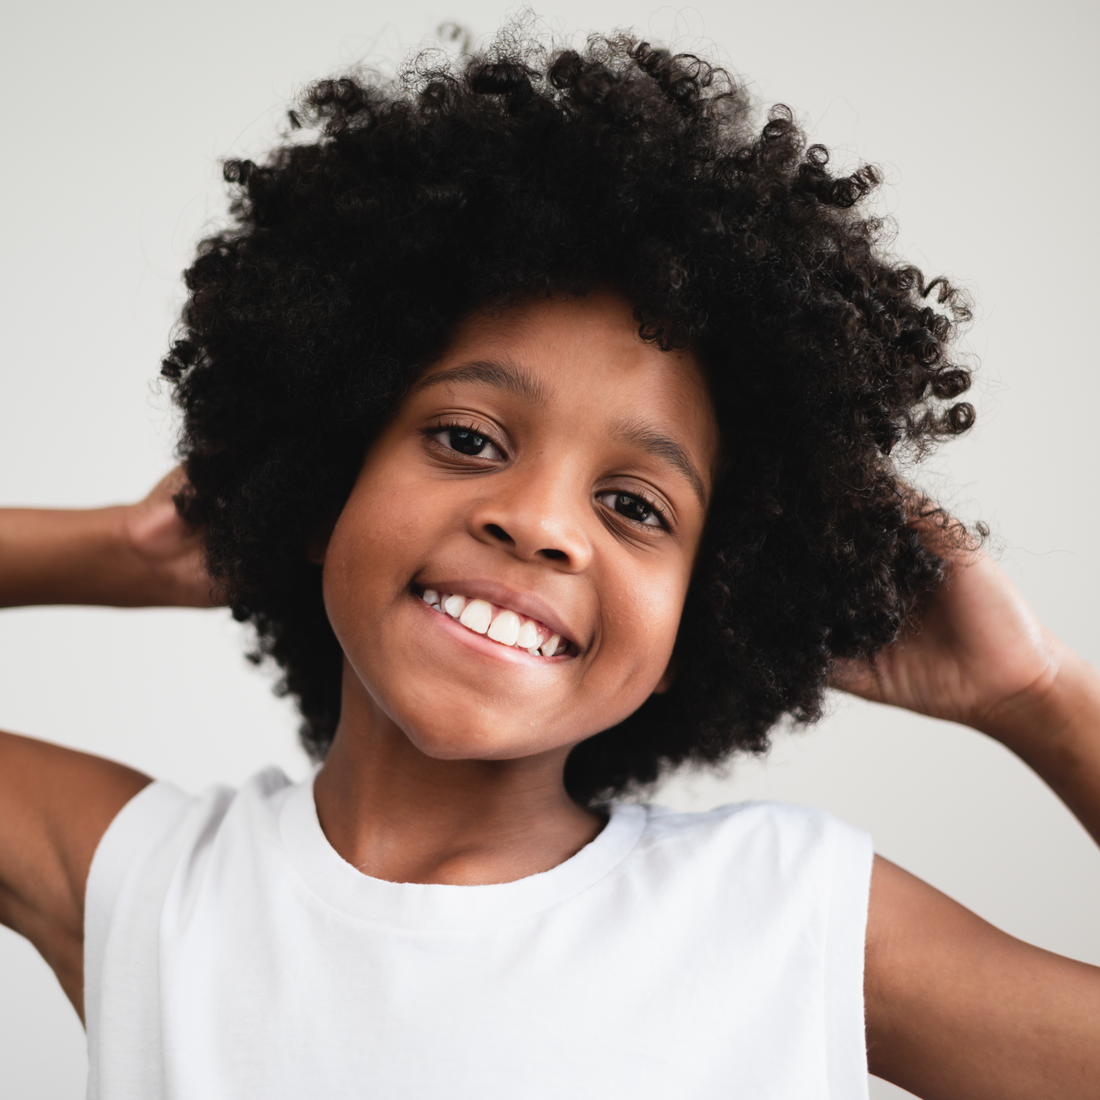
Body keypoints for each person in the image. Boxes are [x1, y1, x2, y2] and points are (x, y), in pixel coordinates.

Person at [1, 25, 1098, 1099]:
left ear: (705, 617)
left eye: (633, 506)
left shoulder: (792, 914)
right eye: (467, 439)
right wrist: (113, 549)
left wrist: (1037, 698)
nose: (536, 523)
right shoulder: (141, 879)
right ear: (324, 485)